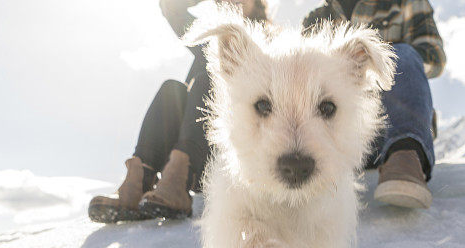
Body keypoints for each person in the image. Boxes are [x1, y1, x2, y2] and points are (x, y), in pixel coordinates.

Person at [88, 0, 270, 223]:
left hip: (228, 156)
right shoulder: (211, 39)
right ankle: (140, 181)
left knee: (209, 79)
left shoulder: (271, 44)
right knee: (171, 89)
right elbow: (171, 7)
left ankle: (180, 178)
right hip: (186, 148)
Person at [303, 0, 446, 208]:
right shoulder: (316, 19)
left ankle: (405, 156)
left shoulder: (405, 3)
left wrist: (374, 64)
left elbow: (434, 57)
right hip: (342, 133)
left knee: (402, 55)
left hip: (393, 126)